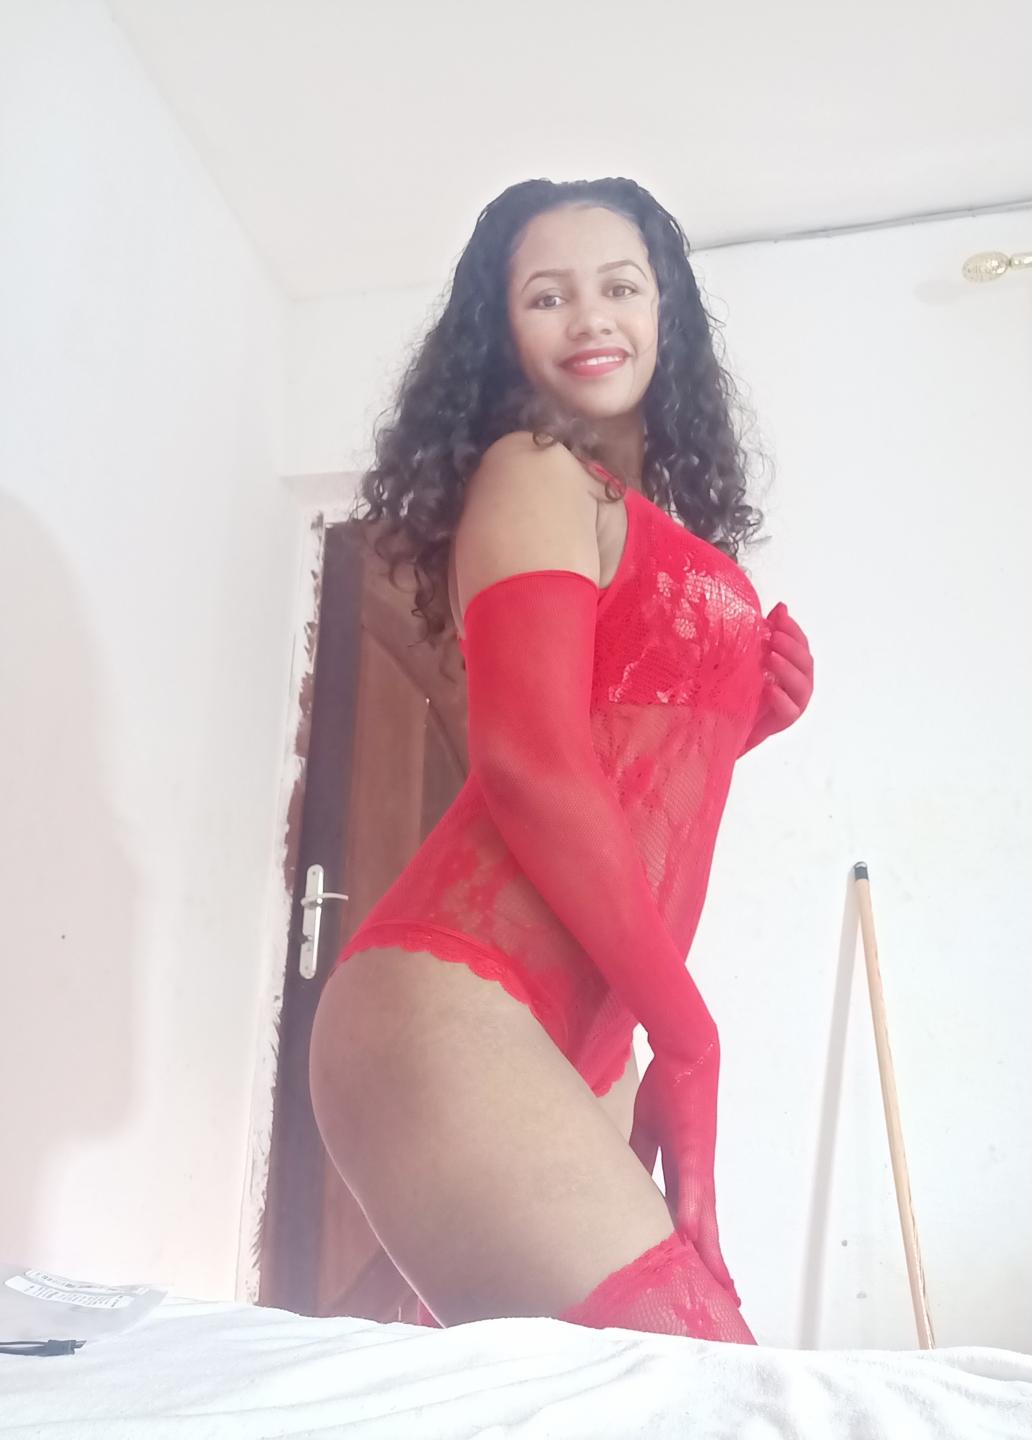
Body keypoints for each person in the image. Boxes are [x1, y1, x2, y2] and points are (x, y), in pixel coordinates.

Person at [308, 177, 814, 1341]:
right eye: (547, 295)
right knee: (700, 1381)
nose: (590, 317)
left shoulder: (630, 512)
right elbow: (533, 767)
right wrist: (690, 1035)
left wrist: (738, 722)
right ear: (503, 331)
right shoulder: (532, 468)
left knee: (605, 1396)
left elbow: (610, 758)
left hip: (577, 1029)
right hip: (461, 994)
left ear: (665, 312)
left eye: (620, 287)